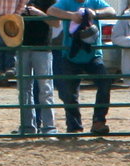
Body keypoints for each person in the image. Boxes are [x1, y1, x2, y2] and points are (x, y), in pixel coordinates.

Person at [47, 0, 116, 135]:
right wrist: (71, 15)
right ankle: (74, 126)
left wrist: (93, 13)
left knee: (105, 82)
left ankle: (99, 121)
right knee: (69, 93)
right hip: (70, 54)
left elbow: (111, 11)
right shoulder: (66, 2)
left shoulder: (95, 2)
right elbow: (51, 11)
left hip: (93, 54)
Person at [15, 0, 59, 135]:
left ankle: (49, 128)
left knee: (45, 89)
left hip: (43, 47)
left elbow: (56, 23)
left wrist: (39, 13)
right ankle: (27, 127)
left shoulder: (50, 1)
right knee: (23, 89)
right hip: (22, 47)